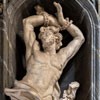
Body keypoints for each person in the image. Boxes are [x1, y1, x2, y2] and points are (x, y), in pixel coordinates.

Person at [4, 2, 85, 100]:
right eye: (42, 36)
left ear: (56, 38)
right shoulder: (34, 51)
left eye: (47, 33)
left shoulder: (61, 57)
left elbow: (79, 38)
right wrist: (48, 19)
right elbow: (27, 22)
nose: (43, 36)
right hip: (27, 94)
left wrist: (63, 22)